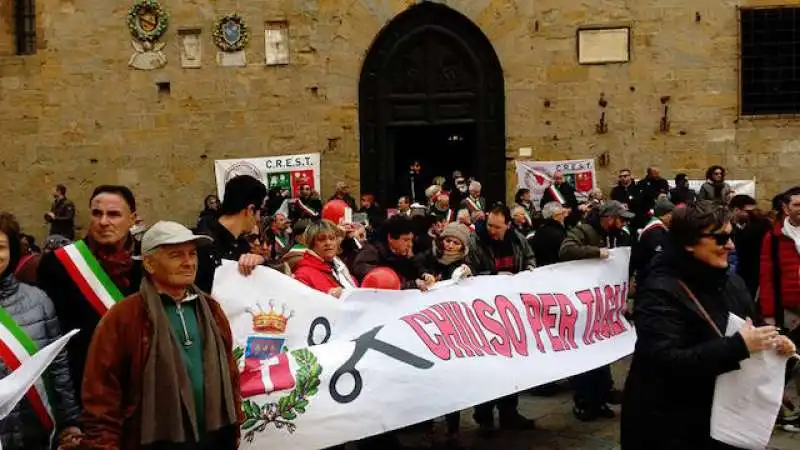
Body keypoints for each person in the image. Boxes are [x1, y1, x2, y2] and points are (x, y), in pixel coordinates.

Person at [621, 201, 795, 449]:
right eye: (721, 238)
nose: (731, 245)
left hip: (725, 412)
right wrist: (738, 346)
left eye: (731, 236)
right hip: (671, 422)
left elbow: (751, 325)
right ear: (689, 243)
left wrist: (774, 342)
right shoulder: (659, 290)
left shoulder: (731, 280)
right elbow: (665, 360)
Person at [82, 221, 241, 449]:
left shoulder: (211, 309)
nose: (189, 263)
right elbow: (101, 396)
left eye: (192, 254)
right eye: (176, 255)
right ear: (149, 263)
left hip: (214, 439)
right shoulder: (124, 317)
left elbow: (231, 374)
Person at [38, 185, 143, 401]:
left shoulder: (150, 262)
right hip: (84, 387)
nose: (104, 222)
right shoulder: (58, 265)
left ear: (132, 219)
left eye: (113, 214)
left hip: (141, 386)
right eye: (97, 213)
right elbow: (51, 338)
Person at [0, 212, 82, 450]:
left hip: (32, 431)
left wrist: (70, 422)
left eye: (1, 247)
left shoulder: (38, 300)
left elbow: (58, 366)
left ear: (12, 251)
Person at [560, 201, 633, 421]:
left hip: (602, 303)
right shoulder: (584, 230)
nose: (623, 223)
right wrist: (596, 252)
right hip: (584, 302)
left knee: (603, 354)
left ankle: (600, 399)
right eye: (620, 218)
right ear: (608, 218)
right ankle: (584, 402)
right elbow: (566, 249)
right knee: (587, 356)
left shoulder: (617, 235)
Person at [465, 204, 536, 433]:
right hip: (485, 313)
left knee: (512, 364)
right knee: (487, 367)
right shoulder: (476, 243)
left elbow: (529, 257)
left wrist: (530, 269)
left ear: (508, 224)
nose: (493, 230)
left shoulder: (517, 239)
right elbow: (469, 275)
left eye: (497, 226)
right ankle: (483, 416)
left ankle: (509, 412)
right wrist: (494, 277)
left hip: (511, 311)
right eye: (489, 225)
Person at [195, 175, 269, 293]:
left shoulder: (241, 244)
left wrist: (259, 262)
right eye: (261, 211)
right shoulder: (203, 242)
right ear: (250, 210)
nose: (259, 219)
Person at [352, 215, 434, 291]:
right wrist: (411, 285)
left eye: (411, 240)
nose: (410, 244)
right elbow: (376, 281)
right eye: (405, 240)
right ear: (390, 238)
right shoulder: (371, 252)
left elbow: (413, 267)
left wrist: (424, 274)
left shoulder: (401, 252)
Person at [293, 220, 358, 298]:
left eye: (332, 238)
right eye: (321, 239)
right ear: (311, 244)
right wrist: (329, 296)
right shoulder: (302, 275)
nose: (328, 243)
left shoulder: (341, 267)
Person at [729, 194, 770, 298]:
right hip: (731, 271)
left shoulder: (762, 225)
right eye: (748, 211)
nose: (752, 214)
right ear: (736, 209)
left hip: (753, 272)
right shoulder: (724, 226)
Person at [631, 197, 675, 287]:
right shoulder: (655, 232)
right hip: (649, 280)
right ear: (665, 215)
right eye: (672, 214)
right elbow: (657, 258)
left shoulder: (657, 228)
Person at [531, 202, 569, 267]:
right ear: (554, 216)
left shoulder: (540, 230)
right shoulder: (557, 233)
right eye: (561, 213)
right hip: (556, 267)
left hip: (542, 267)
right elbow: (565, 252)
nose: (564, 216)